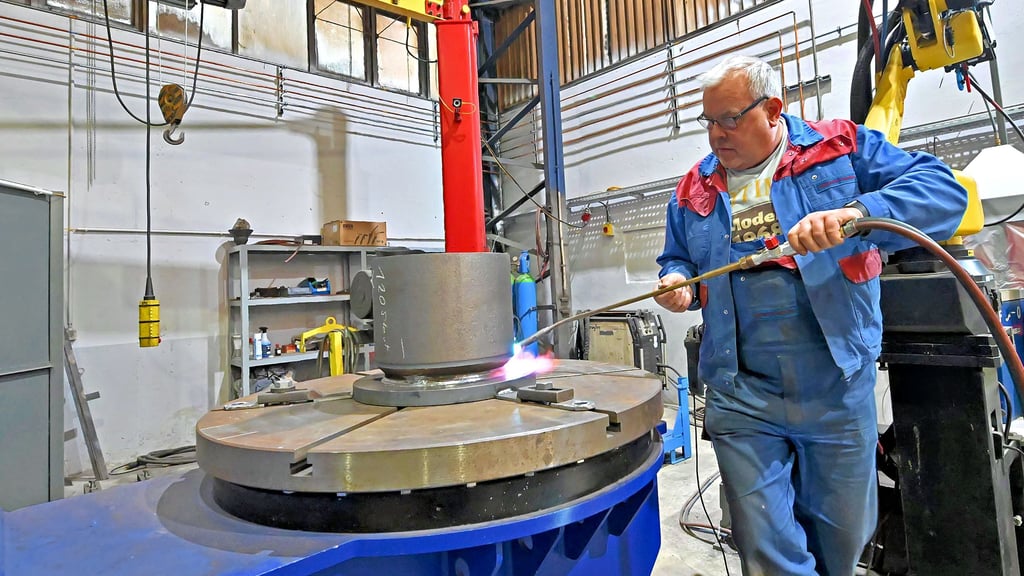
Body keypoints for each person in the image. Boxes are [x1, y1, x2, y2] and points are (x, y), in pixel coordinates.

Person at [654, 55, 968, 575]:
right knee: (766, 546)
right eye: (708, 121)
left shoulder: (838, 149)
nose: (716, 135)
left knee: (842, 541)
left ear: (772, 109)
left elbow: (944, 190)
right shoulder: (695, 187)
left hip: (836, 386)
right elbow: (677, 257)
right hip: (741, 393)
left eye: (730, 119)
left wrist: (858, 214)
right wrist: (675, 282)